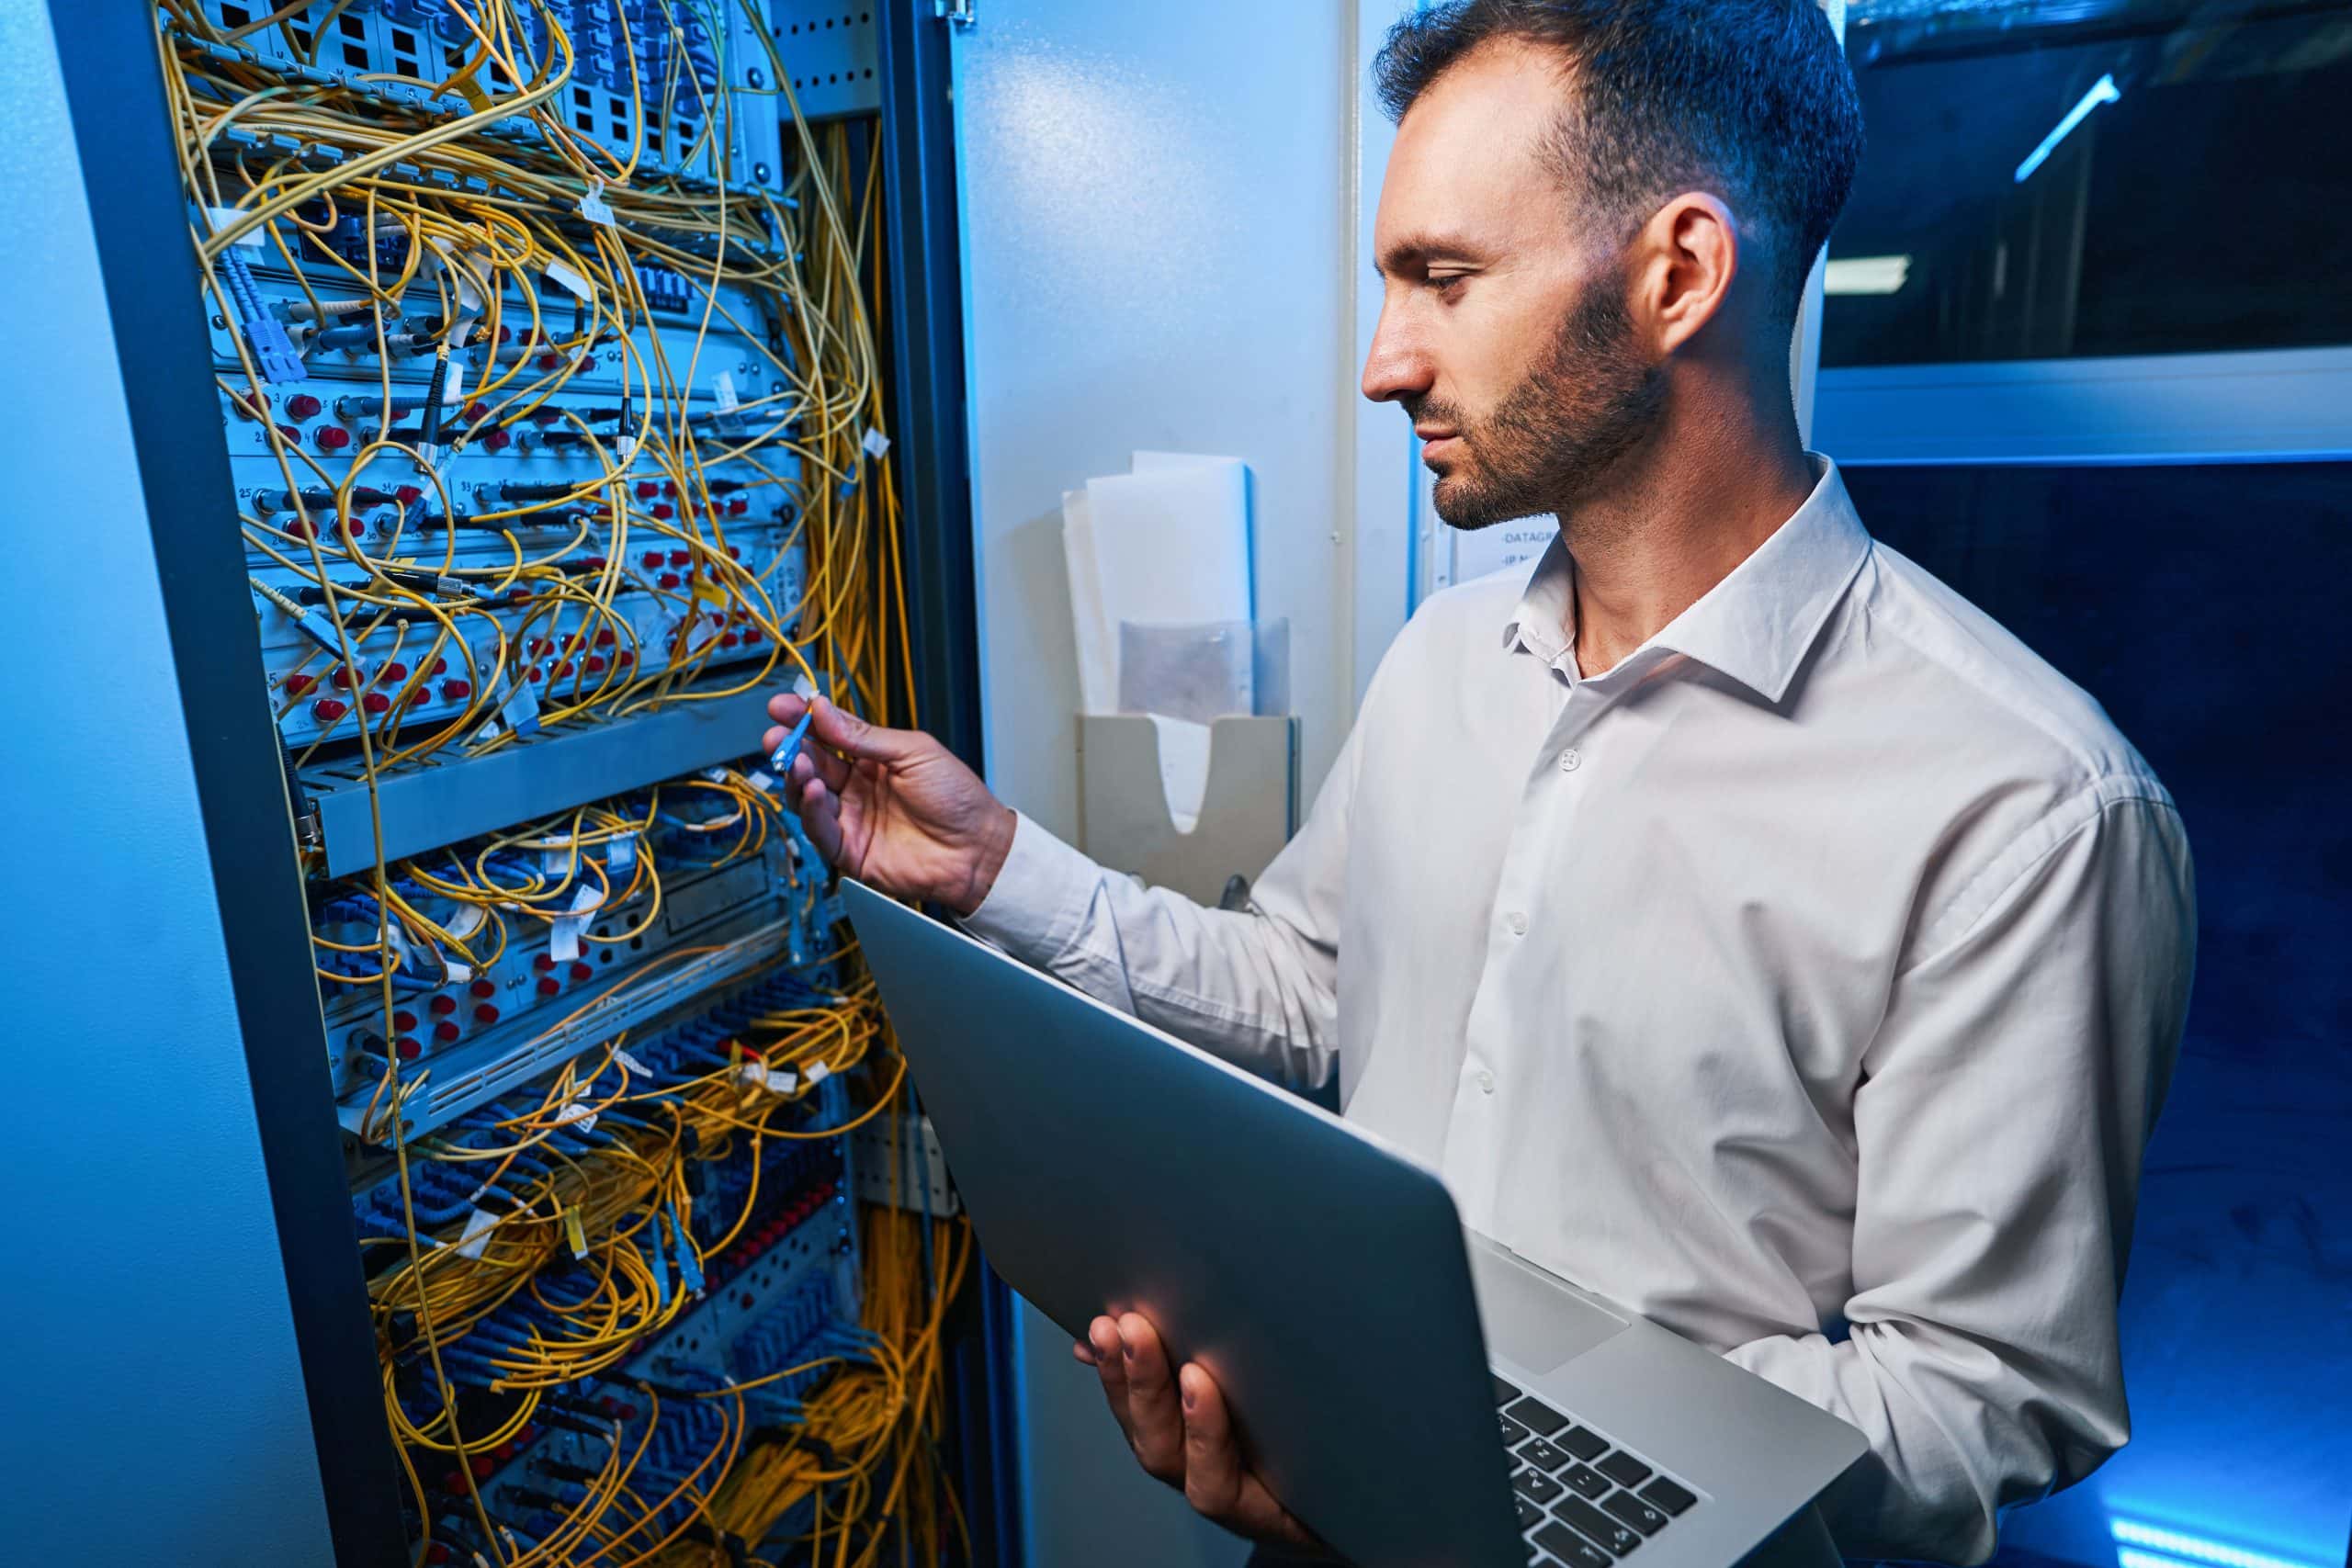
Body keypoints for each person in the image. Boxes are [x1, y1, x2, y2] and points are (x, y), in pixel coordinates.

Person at [763, 0, 2196, 1559]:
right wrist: (999, 873)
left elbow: (1978, 1397)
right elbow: (1311, 996)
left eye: (1444, 279)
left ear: (1679, 274)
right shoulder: (1445, 660)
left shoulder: (2028, 806)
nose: (1386, 365)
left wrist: (1484, 1475)